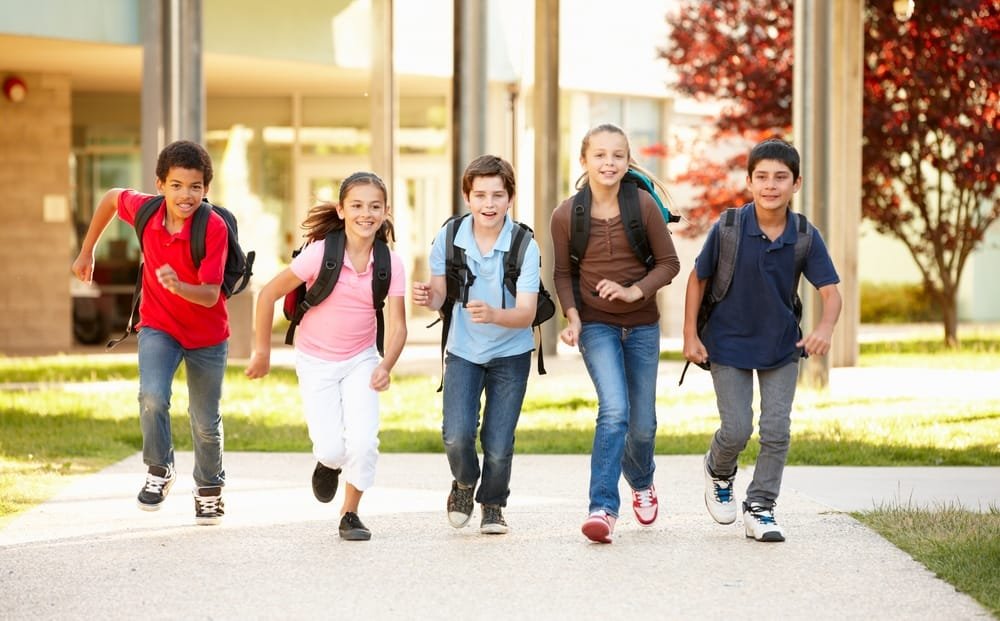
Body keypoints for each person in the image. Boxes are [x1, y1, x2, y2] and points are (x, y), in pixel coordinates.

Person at [683, 138, 842, 542]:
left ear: (796, 183)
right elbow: (698, 278)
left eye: (781, 178)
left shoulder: (805, 234)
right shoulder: (731, 227)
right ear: (750, 182)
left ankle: (761, 506)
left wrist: (823, 330)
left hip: (781, 346)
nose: (771, 185)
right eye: (763, 177)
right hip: (728, 343)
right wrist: (689, 335)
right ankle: (719, 470)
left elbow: (831, 293)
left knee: (776, 430)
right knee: (736, 428)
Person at [71, 140, 229, 525]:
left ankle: (209, 488)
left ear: (206, 188)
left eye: (194, 186)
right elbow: (110, 197)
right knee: (153, 397)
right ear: (160, 184)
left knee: (205, 419)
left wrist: (178, 287)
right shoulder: (145, 211)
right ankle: (160, 468)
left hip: (207, 334)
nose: (185, 195)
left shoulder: (213, 228)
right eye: (176, 185)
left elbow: (210, 295)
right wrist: (87, 249)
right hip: (158, 325)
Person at [246, 171, 406, 541]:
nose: (366, 214)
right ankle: (328, 463)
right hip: (316, 359)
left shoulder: (390, 263)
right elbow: (268, 294)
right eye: (357, 205)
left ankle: (350, 513)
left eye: (375, 206)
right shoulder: (321, 254)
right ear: (341, 209)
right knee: (333, 447)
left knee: (364, 442)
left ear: (385, 211)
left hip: (362, 359)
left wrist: (385, 365)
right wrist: (262, 352)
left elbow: (398, 327)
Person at [550, 124, 681, 543]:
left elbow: (669, 264)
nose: (609, 163)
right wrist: (572, 317)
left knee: (642, 425)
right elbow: (562, 273)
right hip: (596, 324)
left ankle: (641, 481)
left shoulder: (642, 205)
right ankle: (602, 507)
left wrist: (633, 291)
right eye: (600, 155)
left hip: (642, 325)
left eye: (617, 156)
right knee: (614, 410)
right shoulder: (566, 214)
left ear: (628, 162)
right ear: (584, 161)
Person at [411, 154, 539, 536]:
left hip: (511, 355)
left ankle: (493, 504)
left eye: (497, 195)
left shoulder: (524, 245)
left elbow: (527, 313)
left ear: (510, 198)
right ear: (467, 197)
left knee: (499, 443)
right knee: (456, 433)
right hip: (464, 351)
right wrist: (427, 298)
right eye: (480, 194)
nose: (489, 204)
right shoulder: (449, 238)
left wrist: (494, 315)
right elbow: (439, 296)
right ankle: (464, 483)